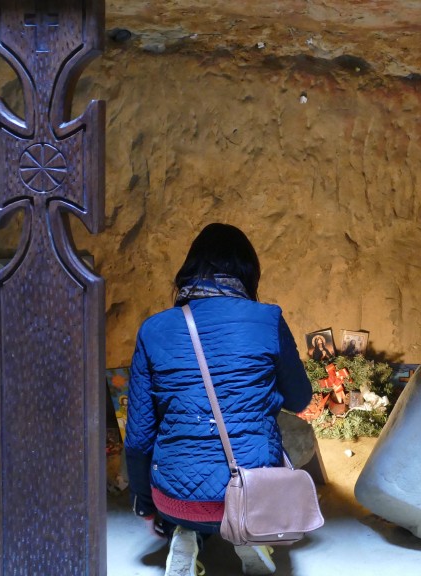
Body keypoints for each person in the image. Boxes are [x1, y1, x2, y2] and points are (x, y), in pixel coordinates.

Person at [124, 223, 312, 576]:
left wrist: (148, 508)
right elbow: (300, 399)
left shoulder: (153, 329)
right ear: (247, 272)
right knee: (280, 430)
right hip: (254, 490)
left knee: (183, 455)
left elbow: (137, 438)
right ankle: (249, 533)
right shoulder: (268, 319)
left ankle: (183, 531)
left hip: (175, 500)